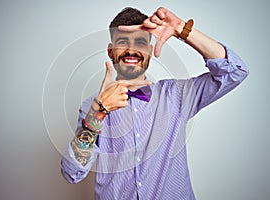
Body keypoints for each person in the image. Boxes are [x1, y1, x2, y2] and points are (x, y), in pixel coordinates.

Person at [61, 6, 249, 200]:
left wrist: (181, 29)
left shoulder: (177, 95)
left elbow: (235, 71)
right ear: (111, 51)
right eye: (123, 42)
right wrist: (98, 113)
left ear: (150, 51)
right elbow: (72, 172)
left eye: (140, 43)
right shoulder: (91, 106)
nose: (131, 50)